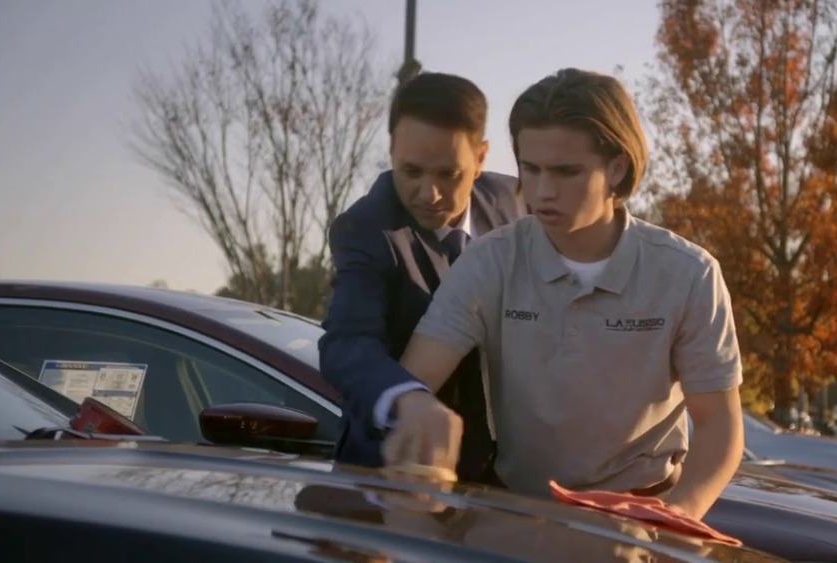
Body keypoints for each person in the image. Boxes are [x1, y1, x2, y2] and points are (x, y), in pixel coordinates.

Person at [381, 68, 745, 520]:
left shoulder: (689, 274)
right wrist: (411, 406)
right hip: (517, 516)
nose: (542, 191)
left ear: (618, 167)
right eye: (530, 170)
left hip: (640, 520)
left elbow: (719, 427)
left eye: (566, 172)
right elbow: (415, 377)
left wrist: (677, 519)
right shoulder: (490, 261)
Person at [318, 72, 526, 483]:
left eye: (448, 174)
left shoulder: (515, 203)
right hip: (394, 473)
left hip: (509, 482)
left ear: (482, 158)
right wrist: (407, 399)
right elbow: (347, 341)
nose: (428, 193)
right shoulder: (364, 229)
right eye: (411, 171)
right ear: (392, 149)